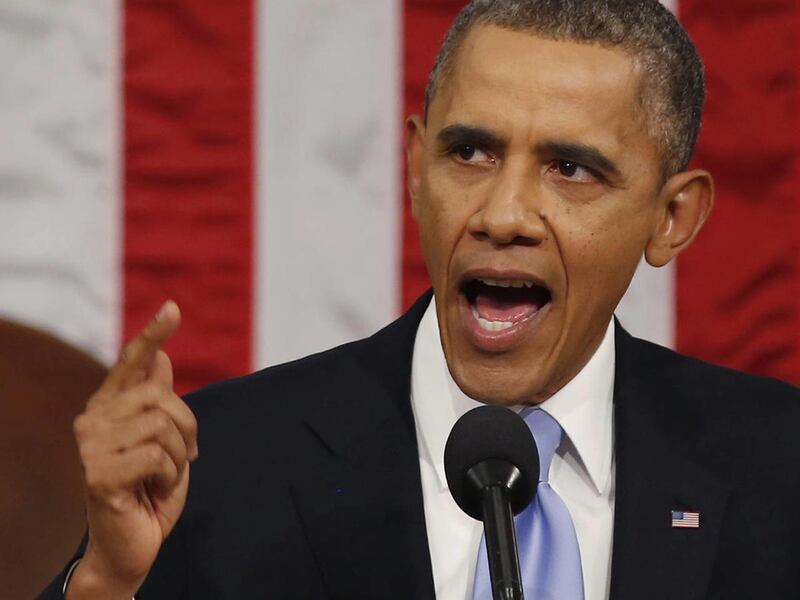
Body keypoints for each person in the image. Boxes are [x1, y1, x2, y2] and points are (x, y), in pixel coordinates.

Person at [41, 1, 800, 599]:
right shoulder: (224, 468)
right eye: (470, 152)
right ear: (413, 166)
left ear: (672, 218)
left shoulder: (779, 467)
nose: (502, 214)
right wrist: (109, 586)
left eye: (570, 168)